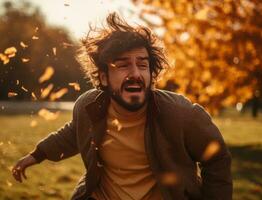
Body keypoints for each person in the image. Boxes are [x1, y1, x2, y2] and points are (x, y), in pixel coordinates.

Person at [12, 13, 232, 200]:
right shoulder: (88, 106)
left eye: (142, 65)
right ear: (104, 77)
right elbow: (72, 133)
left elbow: (216, 158)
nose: (135, 74)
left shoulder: (180, 113)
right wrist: (37, 155)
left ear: (151, 74)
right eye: (123, 65)